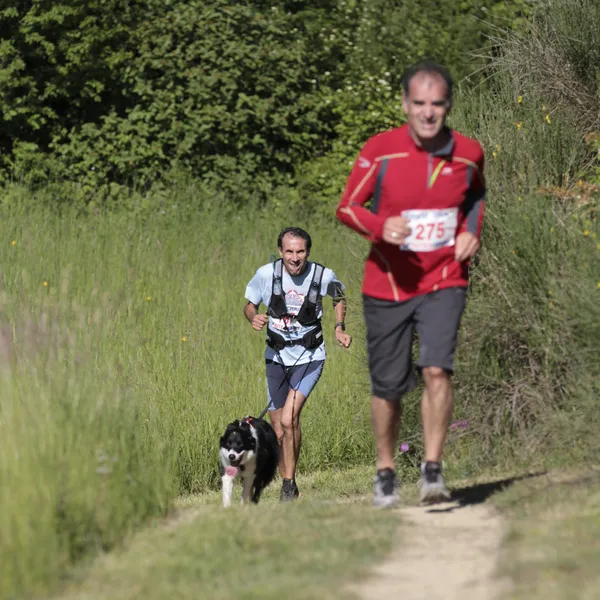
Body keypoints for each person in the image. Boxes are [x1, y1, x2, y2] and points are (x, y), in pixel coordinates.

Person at [335, 60, 485, 508]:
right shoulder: (380, 150)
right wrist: (380, 227)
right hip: (389, 284)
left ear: (448, 106)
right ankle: (385, 471)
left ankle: (432, 470)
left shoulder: (468, 152)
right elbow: (347, 207)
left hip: (445, 277)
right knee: (389, 388)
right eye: (418, 103)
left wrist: (471, 231)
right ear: (404, 104)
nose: (427, 113)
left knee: (437, 368)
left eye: (436, 104)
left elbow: (476, 196)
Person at [244, 227, 352, 502]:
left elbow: (339, 296)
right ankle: (287, 481)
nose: (295, 257)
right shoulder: (266, 274)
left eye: (300, 251)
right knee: (279, 428)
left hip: (310, 357)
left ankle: (288, 486)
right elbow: (249, 304)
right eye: (289, 251)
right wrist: (253, 317)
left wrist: (339, 327)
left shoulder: (323, 275)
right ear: (280, 252)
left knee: (291, 418)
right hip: (276, 358)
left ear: (308, 252)